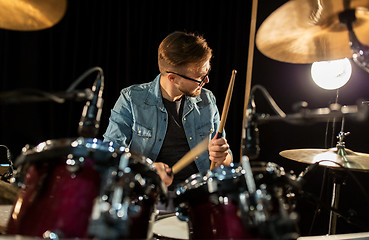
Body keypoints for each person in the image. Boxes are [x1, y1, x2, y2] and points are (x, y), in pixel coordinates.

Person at [103, 31, 232, 190]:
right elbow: (109, 156)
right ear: (173, 78)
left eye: (207, 72)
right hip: (148, 194)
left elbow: (226, 159)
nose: (207, 80)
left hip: (197, 196)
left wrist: (223, 156)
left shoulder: (207, 100)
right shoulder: (130, 99)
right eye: (200, 77)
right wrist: (147, 169)